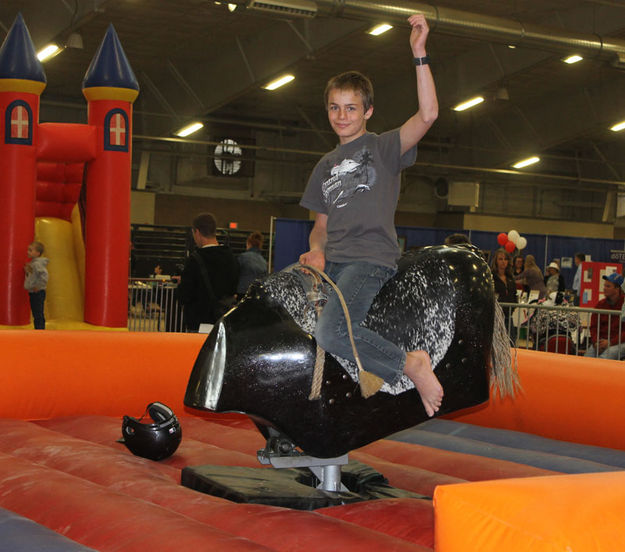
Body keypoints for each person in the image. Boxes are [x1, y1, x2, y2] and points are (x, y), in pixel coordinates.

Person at [298, 14, 442, 417]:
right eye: (334, 107)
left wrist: (419, 54)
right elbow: (320, 227)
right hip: (337, 262)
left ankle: (409, 363)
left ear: (368, 112)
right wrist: (315, 251)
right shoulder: (324, 165)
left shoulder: (383, 148)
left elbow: (428, 114)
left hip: (369, 259)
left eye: (351, 108)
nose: (341, 115)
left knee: (330, 332)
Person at [177, 213, 239, 332]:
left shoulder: (194, 260)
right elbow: (233, 288)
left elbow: (184, 296)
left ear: (197, 232)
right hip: (223, 322)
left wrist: (182, 283)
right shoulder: (231, 257)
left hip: (199, 322)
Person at [584, 273, 625, 360]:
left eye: (608, 286)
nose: (604, 288)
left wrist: (610, 343)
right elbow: (594, 326)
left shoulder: (623, 305)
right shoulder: (600, 304)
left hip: (620, 342)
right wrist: (596, 342)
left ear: (617, 289)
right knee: (586, 359)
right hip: (601, 342)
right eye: (605, 285)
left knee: (604, 357)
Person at [24, 241, 49, 330]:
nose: (28, 252)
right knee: (36, 312)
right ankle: (38, 330)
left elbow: (44, 276)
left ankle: (40, 330)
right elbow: (34, 276)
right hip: (34, 291)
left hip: (38, 292)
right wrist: (28, 271)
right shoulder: (34, 263)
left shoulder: (37, 264)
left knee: (38, 313)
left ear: (37, 253)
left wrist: (38, 286)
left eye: (30, 250)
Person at [237, 231, 268, 297]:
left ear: (248, 244)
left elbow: (235, 274)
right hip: (257, 294)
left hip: (242, 292)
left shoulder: (242, 257)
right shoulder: (263, 261)